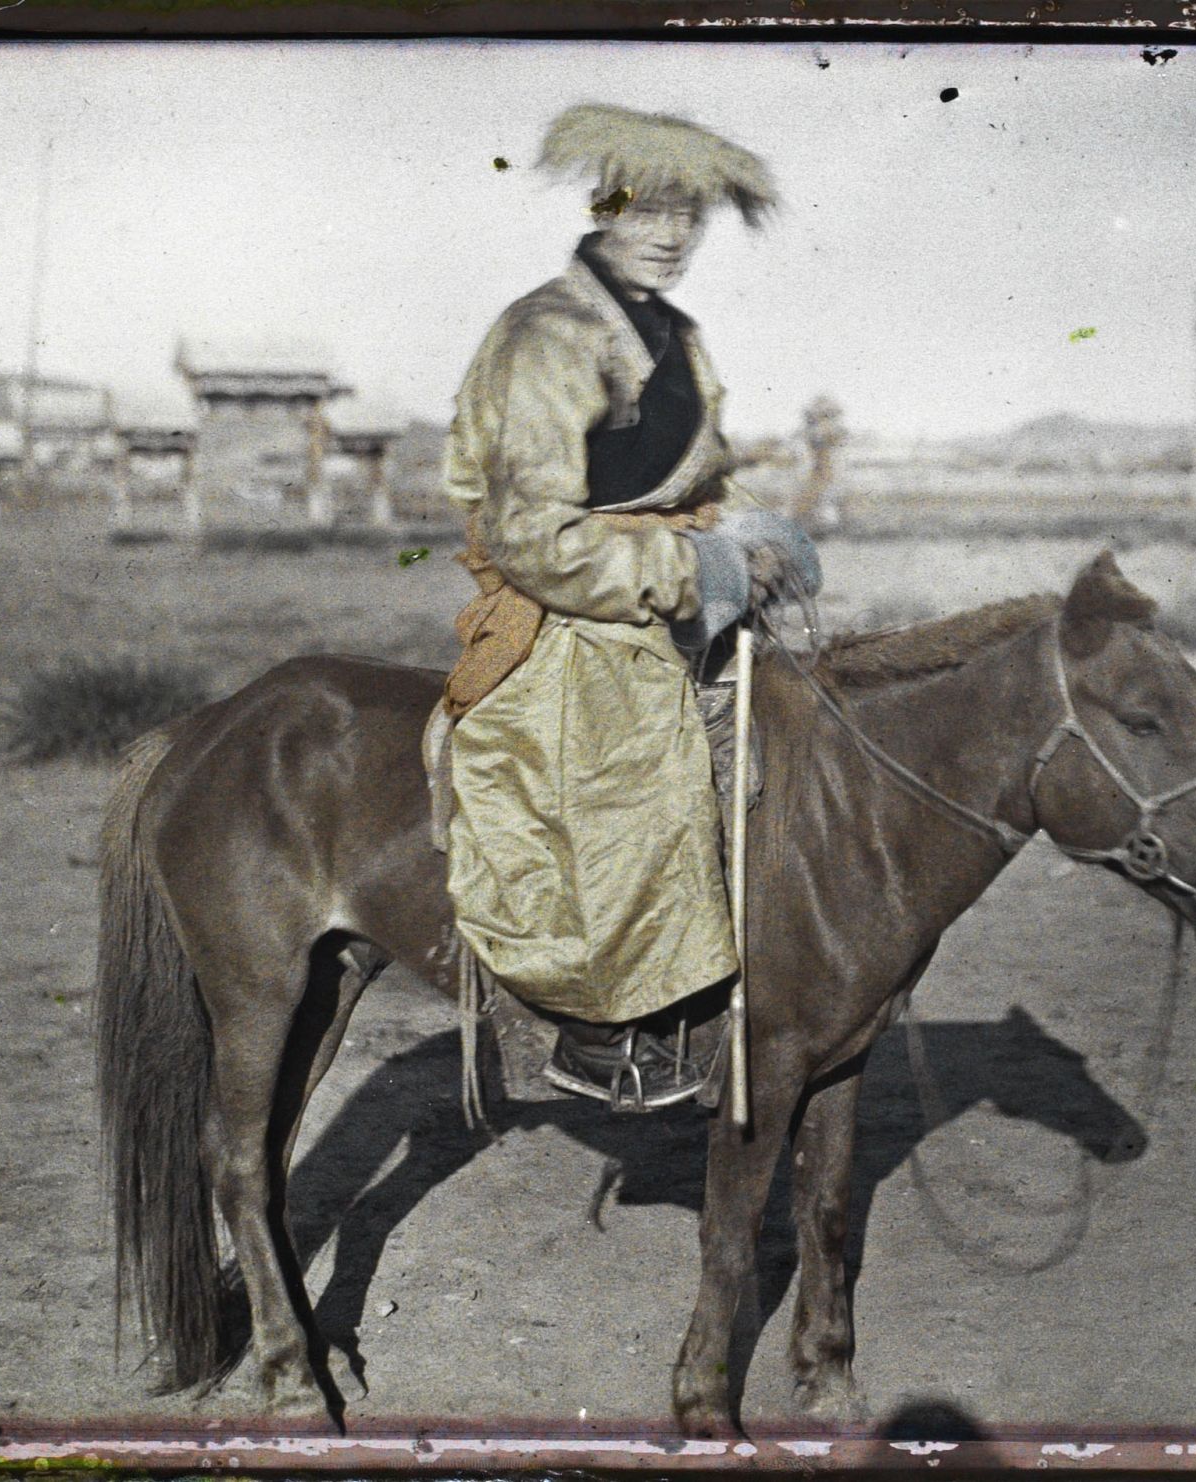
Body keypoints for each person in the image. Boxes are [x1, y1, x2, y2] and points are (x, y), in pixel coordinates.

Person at [438, 103, 818, 1111]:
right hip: (573, 617)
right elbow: (534, 540)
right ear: (603, 206)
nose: (668, 235)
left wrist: (754, 534)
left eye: (687, 216)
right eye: (645, 210)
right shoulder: (545, 334)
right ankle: (604, 1030)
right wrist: (694, 572)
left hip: (659, 590)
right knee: (636, 786)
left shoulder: (677, 335)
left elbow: (696, 487)